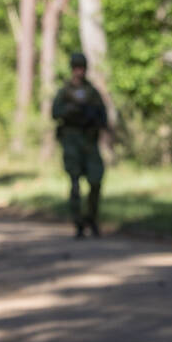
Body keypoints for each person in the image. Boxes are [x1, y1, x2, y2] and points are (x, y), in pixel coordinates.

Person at [52, 52, 107, 238]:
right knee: (75, 184)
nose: (79, 72)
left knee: (96, 180)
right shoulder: (65, 91)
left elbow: (103, 116)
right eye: (76, 68)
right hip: (72, 143)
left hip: (90, 143)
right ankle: (78, 223)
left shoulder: (92, 92)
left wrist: (94, 119)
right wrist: (72, 111)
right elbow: (55, 112)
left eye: (81, 68)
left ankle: (91, 218)